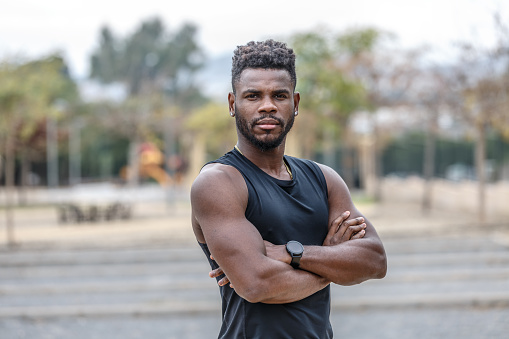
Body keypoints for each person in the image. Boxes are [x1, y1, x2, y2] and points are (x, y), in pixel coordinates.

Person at [191, 39, 387, 339]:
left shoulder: (324, 178)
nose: (267, 105)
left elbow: (374, 260)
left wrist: (290, 254)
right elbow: (258, 284)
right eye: (253, 96)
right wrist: (331, 259)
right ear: (233, 104)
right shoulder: (219, 182)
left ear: (294, 104)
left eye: (279, 95)